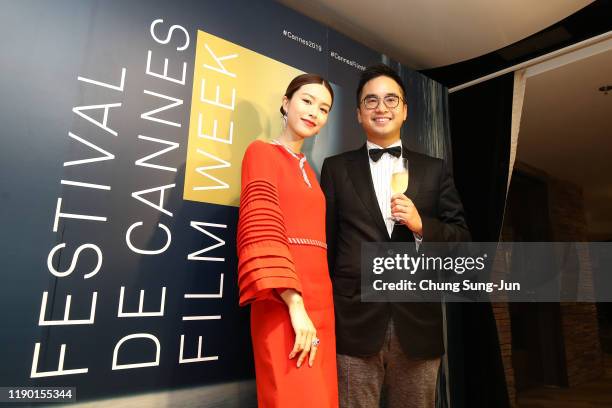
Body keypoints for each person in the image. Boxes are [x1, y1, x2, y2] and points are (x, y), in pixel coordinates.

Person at [320, 64, 470, 408]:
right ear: (358, 113)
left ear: (404, 110)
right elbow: (326, 245)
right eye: (370, 101)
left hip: (418, 324)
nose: (381, 108)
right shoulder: (335, 168)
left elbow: (461, 239)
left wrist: (421, 225)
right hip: (353, 324)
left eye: (391, 99)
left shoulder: (435, 169)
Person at [237, 74, 338, 407]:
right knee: (292, 397)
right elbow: (260, 227)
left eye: (323, 108)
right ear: (286, 102)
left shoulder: (311, 172)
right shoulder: (261, 152)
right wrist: (294, 304)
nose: (314, 112)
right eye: (307, 101)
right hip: (282, 299)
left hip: (321, 301)